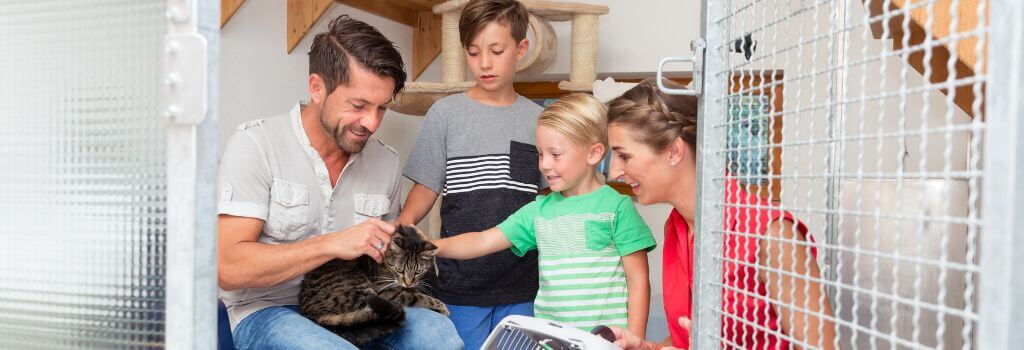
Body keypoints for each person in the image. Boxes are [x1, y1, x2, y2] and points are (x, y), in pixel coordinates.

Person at [216, 15, 461, 350]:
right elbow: (228, 269)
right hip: (267, 309)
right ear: (317, 88)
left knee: (439, 336)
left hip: (362, 302)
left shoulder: (385, 162)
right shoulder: (256, 145)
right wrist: (332, 243)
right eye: (359, 105)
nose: (371, 123)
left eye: (382, 108)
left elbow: (388, 261)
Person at [605, 79, 837, 349]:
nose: (614, 173)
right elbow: (689, 339)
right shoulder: (677, 227)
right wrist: (647, 348)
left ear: (673, 152)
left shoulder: (773, 234)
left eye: (624, 156)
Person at [431, 94, 656, 338]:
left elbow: (638, 283)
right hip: (553, 342)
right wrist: (428, 246)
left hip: (605, 343)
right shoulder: (538, 211)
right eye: (540, 154)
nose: (544, 165)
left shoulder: (617, 207)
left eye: (555, 154)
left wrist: (636, 341)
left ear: (593, 154)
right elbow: (482, 240)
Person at [398, 0, 544, 348]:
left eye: (496, 50)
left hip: (523, 284)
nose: (485, 63)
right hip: (458, 285)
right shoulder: (445, 114)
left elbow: (550, 200)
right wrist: (402, 228)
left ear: (521, 49)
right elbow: (426, 186)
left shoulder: (538, 120)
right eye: (474, 52)